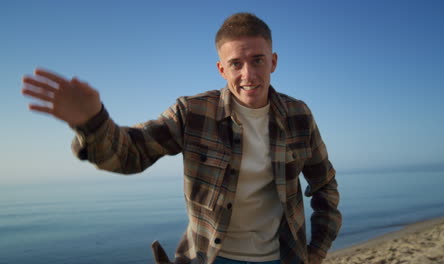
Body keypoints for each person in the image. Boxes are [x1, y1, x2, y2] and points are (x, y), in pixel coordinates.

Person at [22, 13, 341, 264]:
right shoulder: (192, 113)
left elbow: (324, 184)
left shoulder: (299, 114)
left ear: (273, 61)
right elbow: (130, 154)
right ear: (221, 69)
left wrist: (317, 251)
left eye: (257, 60)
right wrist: (94, 123)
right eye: (236, 64)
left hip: (283, 258)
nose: (248, 74)